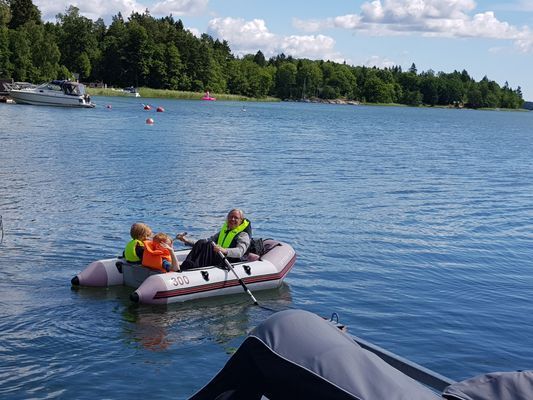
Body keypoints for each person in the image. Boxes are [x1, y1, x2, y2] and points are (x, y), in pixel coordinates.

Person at [177, 209, 251, 270]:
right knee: (201, 242)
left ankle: (194, 268)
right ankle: (187, 265)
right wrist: (186, 240)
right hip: (220, 256)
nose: (232, 219)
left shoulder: (243, 234)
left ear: (241, 221)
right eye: (230, 217)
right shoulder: (224, 231)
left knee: (209, 245)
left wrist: (224, 250)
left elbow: (240, 252)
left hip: (230, 260)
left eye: (236, 218)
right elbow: (207, 241)